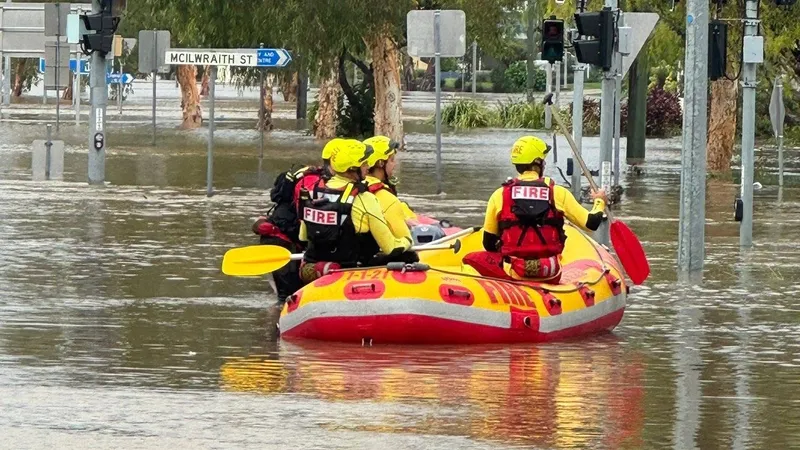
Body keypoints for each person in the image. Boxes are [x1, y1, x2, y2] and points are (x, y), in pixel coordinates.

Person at [464, 136, 607, 284]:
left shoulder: (499, 195)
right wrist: (600, 201)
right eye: (543, 160)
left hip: (513, 273)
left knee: (469, 259)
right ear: (538, 163)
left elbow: (488, 243)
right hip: (550, 273)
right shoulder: (557, 193)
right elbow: (592, 223)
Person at [298, 139, 415, 283]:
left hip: (314, 267)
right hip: (350, 270)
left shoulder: (314, 192)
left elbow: (303, 237)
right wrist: (407, 241)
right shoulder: (364, 198)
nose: (367, 166)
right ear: (353, 168)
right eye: (364, 163)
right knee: (409, 257)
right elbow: (390, 248)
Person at [250, 140, 339, 301]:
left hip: (285, 240)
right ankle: (275, 323)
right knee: (287, 297)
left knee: (287, 294)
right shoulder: (313, 182)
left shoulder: (318, 178)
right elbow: (308, 221)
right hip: (282, 243)